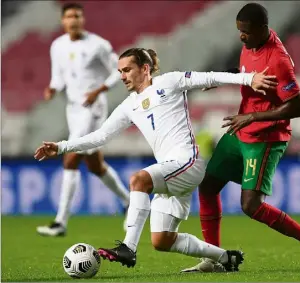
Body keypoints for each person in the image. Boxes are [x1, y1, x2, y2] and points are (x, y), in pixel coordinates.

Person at [34, 47, 278, 270]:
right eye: (120, 71)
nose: (122, 76)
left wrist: (249, 78)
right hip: (170, 169)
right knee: (162, 240)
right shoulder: (129, 105)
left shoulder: (169, 82)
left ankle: (128, 248)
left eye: (127, 69)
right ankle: (226, 258)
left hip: (188, 162)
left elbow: (211, 77)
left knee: (139, 180)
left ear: (145, 68)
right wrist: (62, 146)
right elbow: (100, 136)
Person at [182, 3, 300, 273]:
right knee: (207, 186)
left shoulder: (278, 59)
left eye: (246, 32)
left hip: (266, 137)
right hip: (241, 130)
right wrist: (219, 80)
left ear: (262, 28)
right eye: (239, 31)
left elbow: (297, 107)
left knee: (251, 206)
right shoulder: (250, 44)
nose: (241, 36)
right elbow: (245, 76)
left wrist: (252, 117)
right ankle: (216, 258)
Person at [37, 3, 130, 237]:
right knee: (95, 165)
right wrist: (52, 88)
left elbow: (117, 71)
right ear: (63, 21)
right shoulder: (57, 46)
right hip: (73, 109)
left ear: (83, 19)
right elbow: (58, 77)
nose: (73, 20)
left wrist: (99, 90)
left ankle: (60, 222)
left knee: (70, 158)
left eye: (77, 16)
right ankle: (130, 201)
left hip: (93, 108)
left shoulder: (98, 45)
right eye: (69, 16)